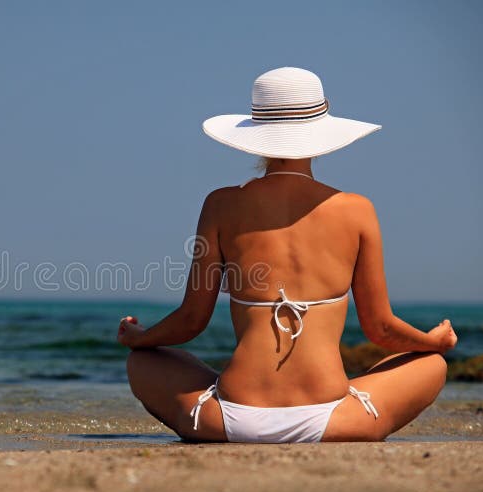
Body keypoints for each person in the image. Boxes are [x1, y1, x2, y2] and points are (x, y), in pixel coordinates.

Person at [117, 67, 457, 443]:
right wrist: (433, 342)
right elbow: (380, 328)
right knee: (431, 365)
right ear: (323, 128)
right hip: (335, 421)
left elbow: (191, 320)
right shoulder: (357, 209)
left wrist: (140, 339)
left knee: (143, 362)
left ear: (255, 133)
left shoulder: (221, 205)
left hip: (229, 419)